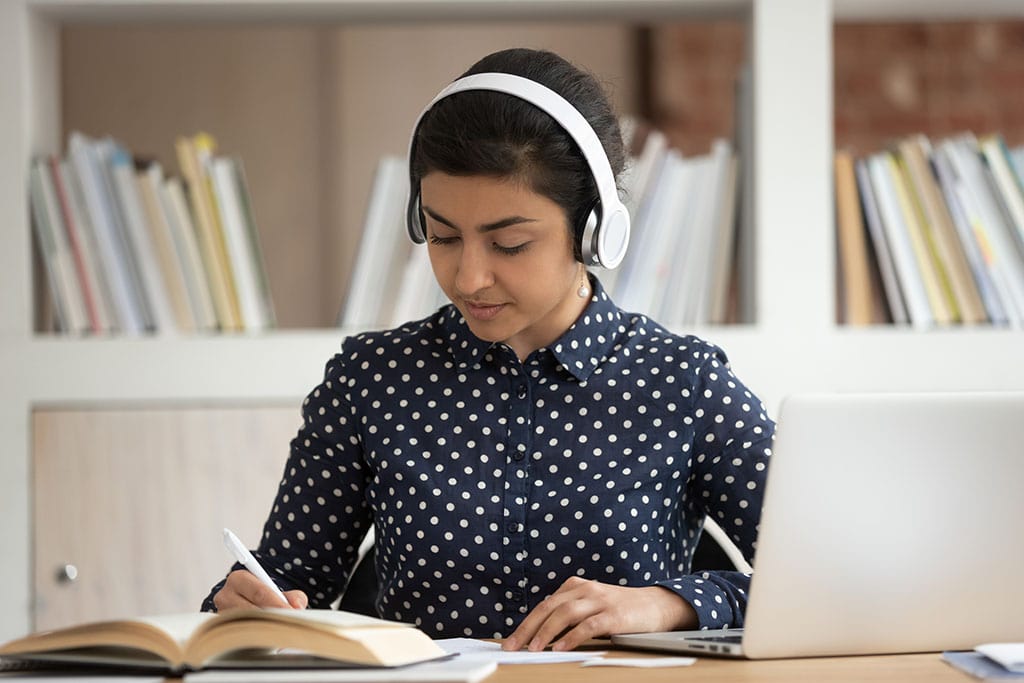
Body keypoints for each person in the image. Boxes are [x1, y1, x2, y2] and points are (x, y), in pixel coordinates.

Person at [203, 47, 775, 653]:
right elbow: (290, 582)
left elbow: (833, 581)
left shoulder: (683, 383)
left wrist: (670, 603)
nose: (468, 277)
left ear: (594, 233)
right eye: (444, 235)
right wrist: (244, 600)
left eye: (509, 244)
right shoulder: (371, 380)